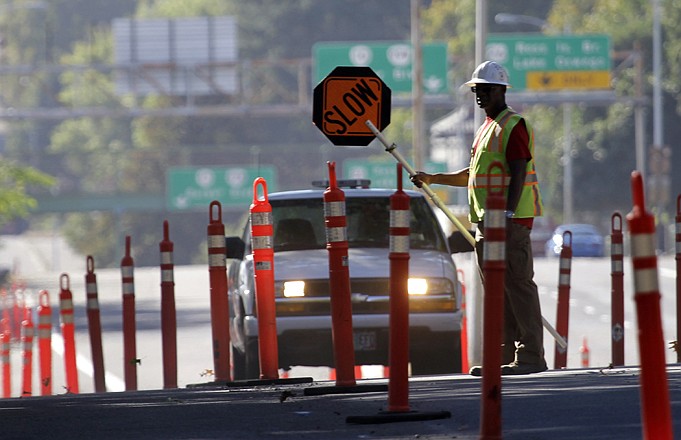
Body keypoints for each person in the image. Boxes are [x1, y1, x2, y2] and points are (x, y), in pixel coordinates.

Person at [411, 60, 547, 376]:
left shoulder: (513, 125)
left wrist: (508, 214)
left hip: (508, 223)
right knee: (499, 291)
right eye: (477, 90)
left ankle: (530, 356)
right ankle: (502, 356)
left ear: (501, 90)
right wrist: (434, 178)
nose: (480, 95)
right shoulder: (486, 128)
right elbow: (474, 175)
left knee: (518, 286)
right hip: (489, 222)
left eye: (485, 89)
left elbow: (517, 170)